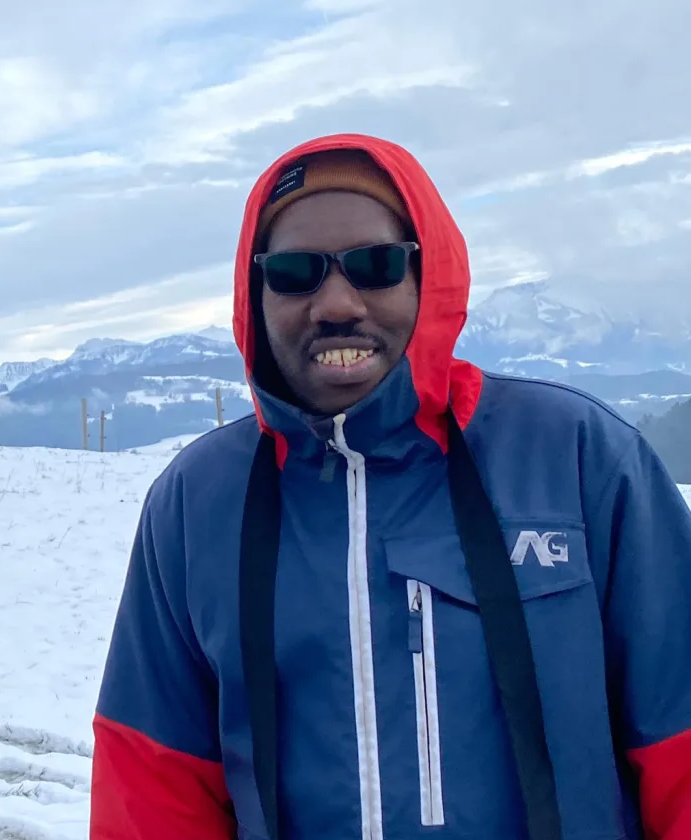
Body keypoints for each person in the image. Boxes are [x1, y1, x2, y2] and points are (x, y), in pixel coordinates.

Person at [90, 134, 691, 839]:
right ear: (255, 296)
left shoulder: (578, 458)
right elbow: (154, 786)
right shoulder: (198, 504)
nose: (336, 303)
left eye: (375, 266)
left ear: (425, 277)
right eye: (294, 273)